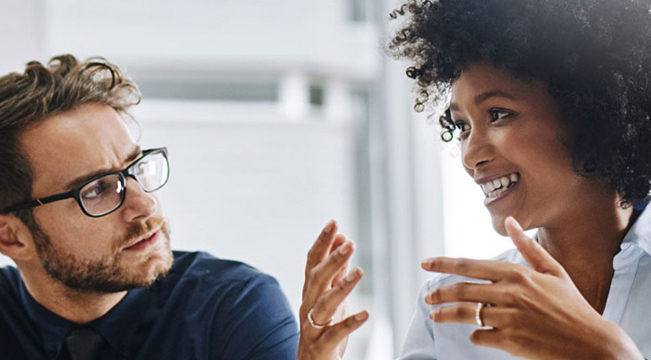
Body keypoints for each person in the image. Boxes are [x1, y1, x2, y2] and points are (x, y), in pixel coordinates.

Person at [298, 0, 651, 359]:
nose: (469, 154)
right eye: (462, 126)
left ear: (588, 114)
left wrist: (610, 353)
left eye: (498, 114)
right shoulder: (451, 312)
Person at [0, 55, 298, 360]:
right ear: (11, 236)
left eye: (136, 168)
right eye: (95, 190)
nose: (146, 204)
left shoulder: (233, 308)